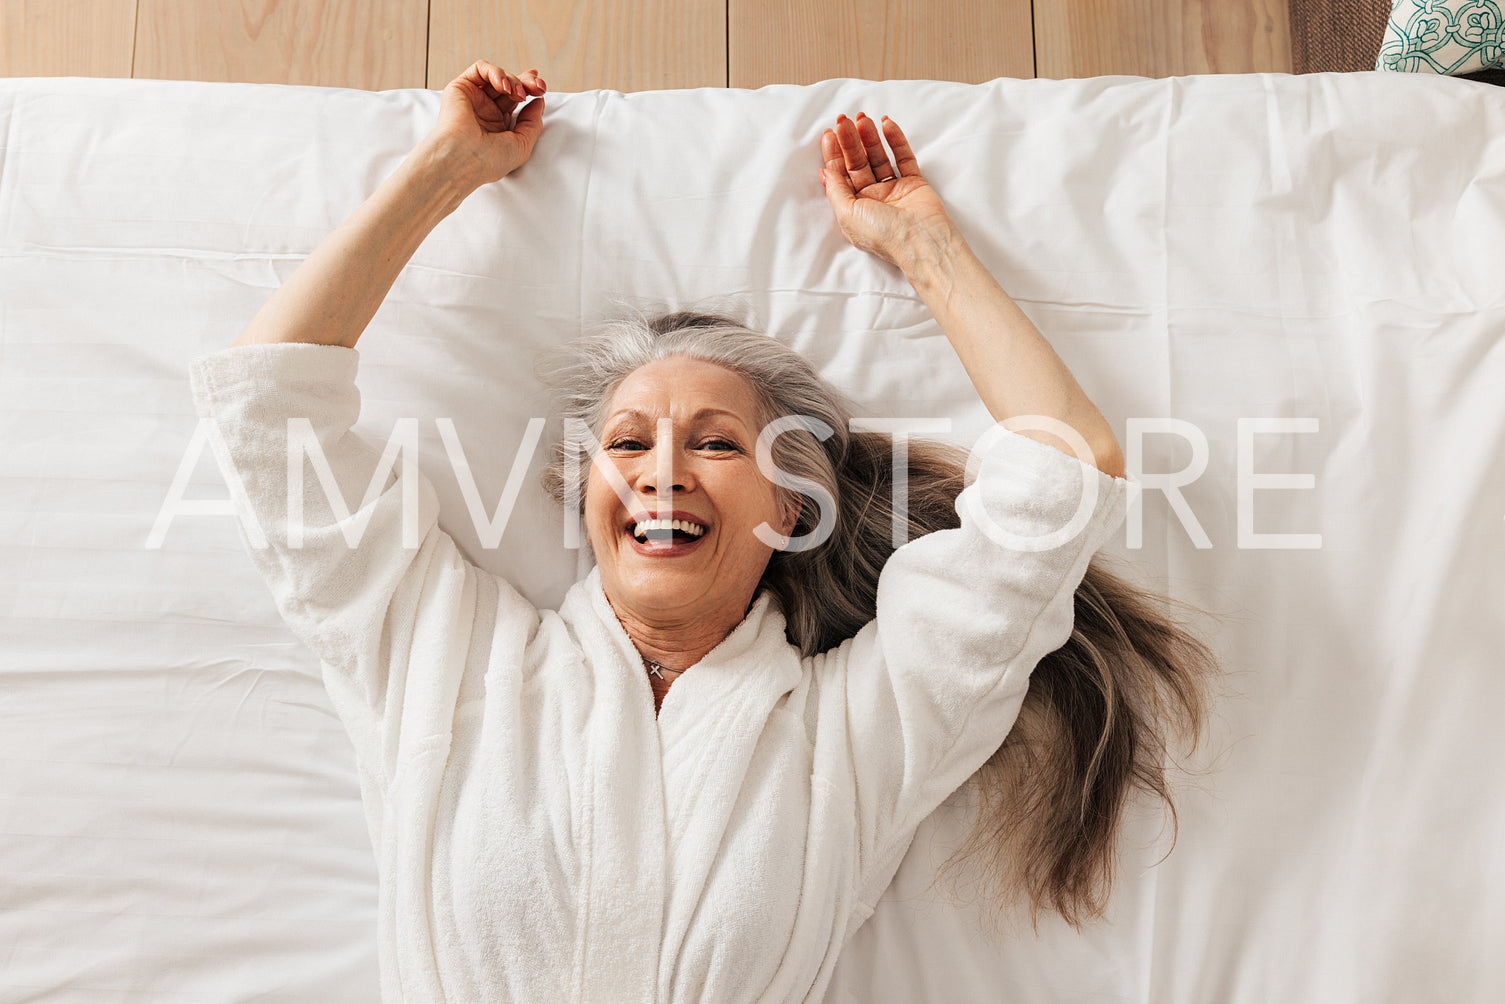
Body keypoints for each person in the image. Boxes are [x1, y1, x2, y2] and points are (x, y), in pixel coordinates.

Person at [188, 60, 1217, 1002]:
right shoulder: (445, 659)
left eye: (717, 444)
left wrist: (919, 242)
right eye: (627, 441)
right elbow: (267, 411)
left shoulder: (852, 734)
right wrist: (444, 170)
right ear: (583, 495)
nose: (662, 469)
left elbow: (1060, 468)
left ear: (791, 509)